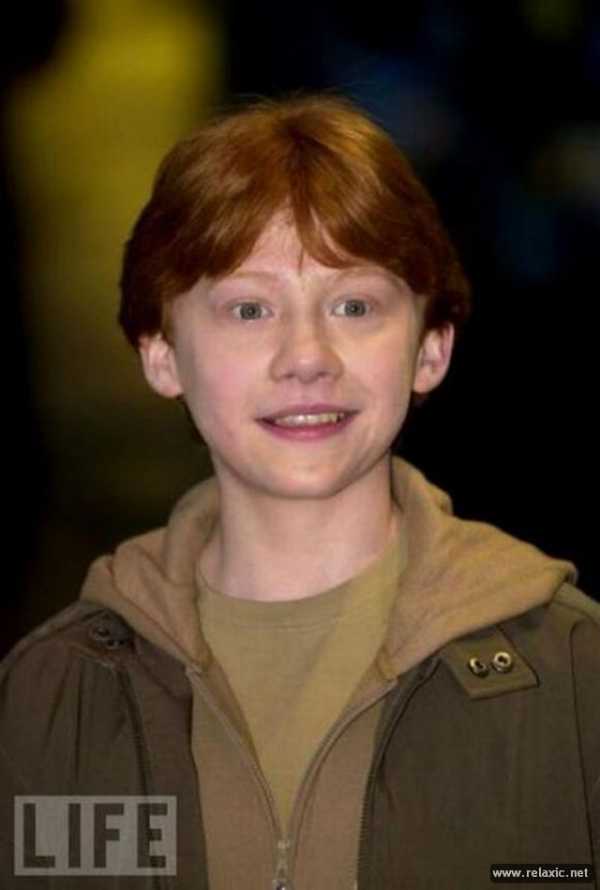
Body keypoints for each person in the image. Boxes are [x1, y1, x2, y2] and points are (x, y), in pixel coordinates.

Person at [1, 94, 598, 890]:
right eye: (249, 309)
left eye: (354, 305)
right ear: (161, 355)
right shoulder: (59, 693)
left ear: (431, 348)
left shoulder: (571, 672)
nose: (307, 356)